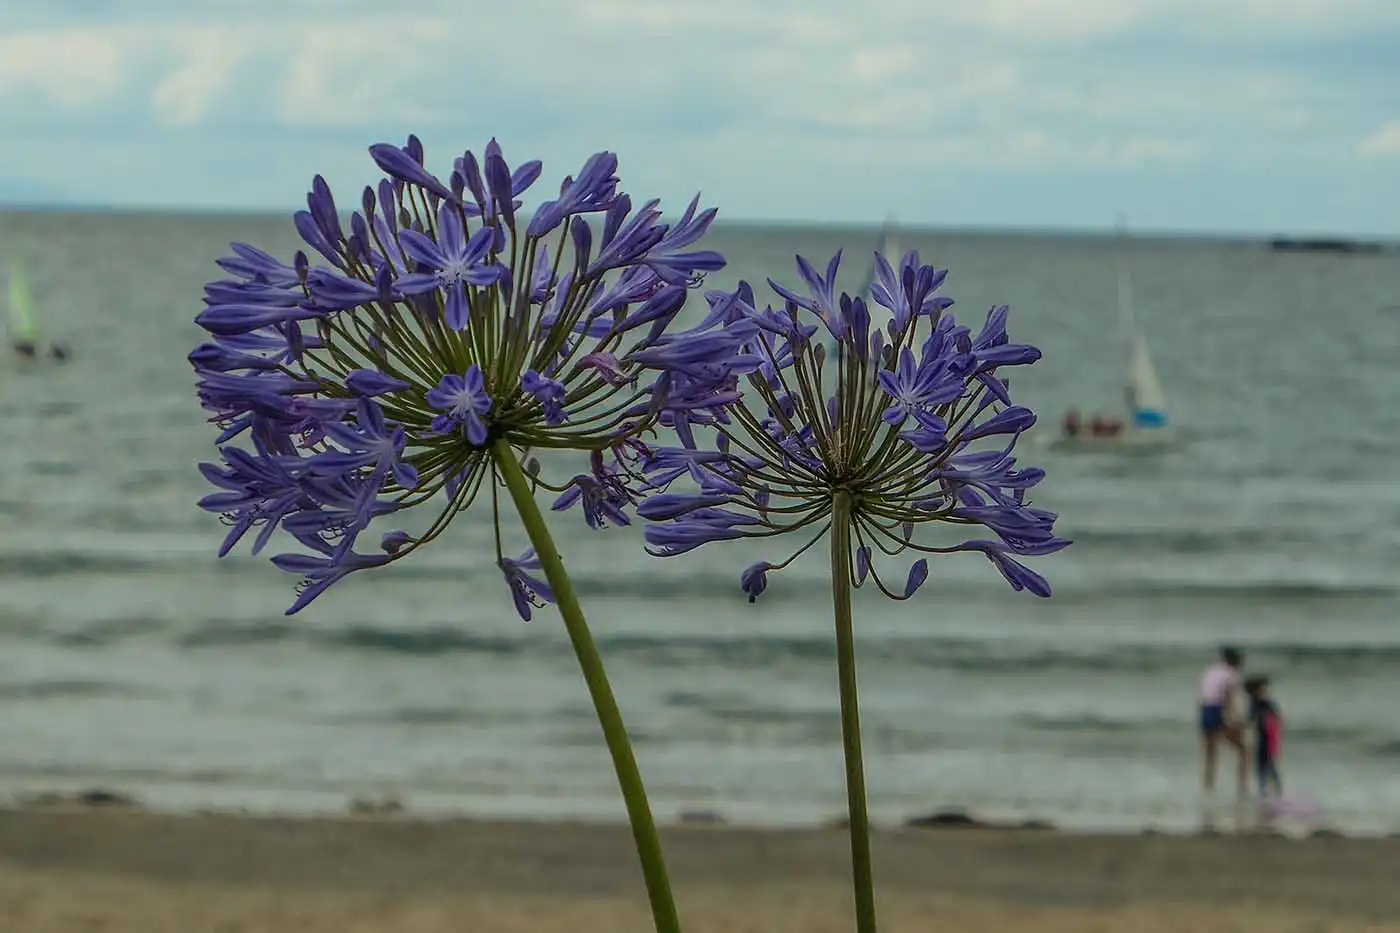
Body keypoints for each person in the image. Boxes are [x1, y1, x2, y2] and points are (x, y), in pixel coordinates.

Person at [1198, 645, 1248, 799]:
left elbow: (1205, 694)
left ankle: (1208, 788)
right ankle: (1242, 788)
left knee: (1210, 753)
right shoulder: (1232, 674)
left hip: (1205, 710)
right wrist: (1236, 720)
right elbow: (1228, 700)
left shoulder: (1210, 671)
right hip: (1218, 710)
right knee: (1243, 750)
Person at [1245, 675, 1283, 799]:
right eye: (1263, 688)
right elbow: (1251, 720)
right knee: (1263, 766)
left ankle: (1275, 791)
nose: (1265, 690)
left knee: (1268, 765)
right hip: (1261, 738)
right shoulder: (1257, 703)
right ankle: (1267, 791)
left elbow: (1276, 718)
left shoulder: (1265, 703)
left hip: (1268, 738)